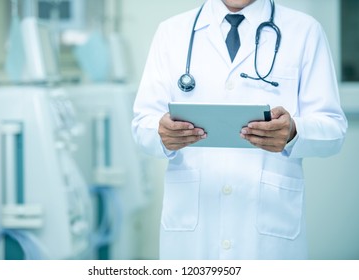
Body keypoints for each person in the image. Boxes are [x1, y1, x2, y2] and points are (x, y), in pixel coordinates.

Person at [131, 0, 347, 259]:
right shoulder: (172, 32)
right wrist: (162, 133)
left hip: (269, 233)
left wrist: (294, 131)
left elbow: (333, 129)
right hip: (193, 229)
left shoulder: (304, 31)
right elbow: (143, 125)